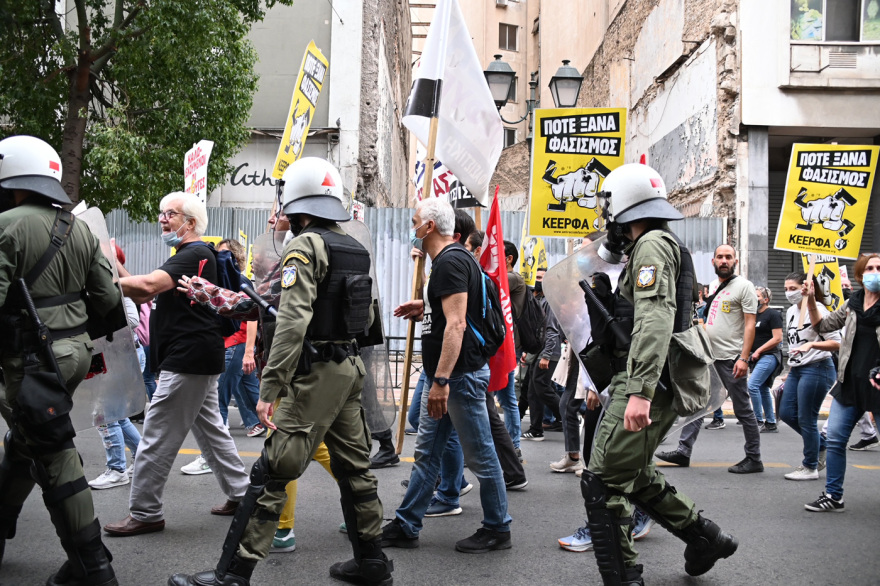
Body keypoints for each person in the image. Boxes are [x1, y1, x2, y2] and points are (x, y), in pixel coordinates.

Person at [169, 157, 392, 586]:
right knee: (355, 471)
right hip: (348, 368)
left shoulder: (305, 247)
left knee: (271, 473)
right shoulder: (353, 247)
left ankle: (231, 575)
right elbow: (368, 317)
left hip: (314, 376)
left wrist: (270, 388)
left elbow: (292, 320)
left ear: (295, 202)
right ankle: (372, 562)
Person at [581, 163, 737, 585]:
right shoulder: (656, 245)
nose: (605, 216)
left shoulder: (651, 246)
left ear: (624, 205)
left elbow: (653, 320)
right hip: (658, 377)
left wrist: (640, 393)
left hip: (653, 380)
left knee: (602, 480)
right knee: (631, 470)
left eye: (607, 206)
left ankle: (624, 577)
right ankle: (705, 537)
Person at [0, 135, 121, 584]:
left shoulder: (6, 225)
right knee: (27, 440)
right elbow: (108, 297)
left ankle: (93, 566)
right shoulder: (79, 228)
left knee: (55, 456)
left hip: (29, 362)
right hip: (74, 356)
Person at [103, 191, 250, 537]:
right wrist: (115, 266)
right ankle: (243, 494)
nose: (162, 219)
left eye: (170, 214)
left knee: (156, 434)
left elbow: (148, 286)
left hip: (188, 360)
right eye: (161, 213)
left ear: (191, 222)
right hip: (196, 358)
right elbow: (145, 289)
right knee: (212, 432)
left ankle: (146, 511)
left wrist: (100, 281)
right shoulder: (187, 255)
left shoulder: (194, 252)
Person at [381, 197, 512, 554]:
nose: (412, 228)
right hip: (452, 375)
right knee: (427, 455)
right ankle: (407, 524)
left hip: (458, 377)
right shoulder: (449, 261)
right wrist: (424, 305)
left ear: (430, 227)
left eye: (415, 222)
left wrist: (440, 381)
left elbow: (456, 324)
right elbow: (455, 309)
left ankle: (498, 528)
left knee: (481, 456)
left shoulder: (450, 261)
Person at [656, 244, 764, 474]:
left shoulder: (744, 287)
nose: (724, 260)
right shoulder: (718, 287)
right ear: (713, 261)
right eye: (720, 257)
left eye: (728, 257)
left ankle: (754, 458)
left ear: (736, 260)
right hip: (708, 357)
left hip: (730, 359)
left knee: (743, 409)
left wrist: (744, 358)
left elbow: (749, 324)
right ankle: (683, 452)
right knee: (698, 404)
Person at [802, 254, 880, 512]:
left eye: (879, 268)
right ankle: (834, 496)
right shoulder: (852, 303)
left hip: (877, 385)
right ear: (860, 275)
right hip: (850, 382)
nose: (875, 272)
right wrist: (811, 299)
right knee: (835, 439)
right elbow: (821, 325)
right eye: (870, 268)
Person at [89, 243, 144, 490]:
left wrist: (99, 325)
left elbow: (133, 319)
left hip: (121, 357)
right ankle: (142, 461)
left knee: (105, 414)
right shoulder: (91, 286)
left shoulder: (118, 287)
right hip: (110, 357)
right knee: (117, 416)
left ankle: (116, 469)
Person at [779, 272, 839, 481]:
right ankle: (820, 445)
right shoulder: (790, 312)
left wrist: (812, 344)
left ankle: (810, 466)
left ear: (806, 287)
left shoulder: (819, 310)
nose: (789, 293)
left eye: (793, 288)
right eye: (786, 289)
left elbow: (836, 342)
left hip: (818, 367)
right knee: (786, 412)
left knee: (807, 418)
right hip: (796, 369)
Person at [520, 267, 563, 441]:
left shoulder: (551, 301)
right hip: (538, 352)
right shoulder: (538, 299)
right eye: (536, 277)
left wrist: (546, 355)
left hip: (547, 352)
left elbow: (552, 331)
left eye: (541, 277)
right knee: (533, 390)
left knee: (541, 387)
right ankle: (536, 428)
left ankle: (568, 414)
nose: (537, 280)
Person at [748, 286, 783, 432]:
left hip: (769, 356)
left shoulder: (773, 314)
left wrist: (759, 351)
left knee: (752, 385)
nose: (754, 299)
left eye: (757, 296)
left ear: (766, 299)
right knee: (762, 388)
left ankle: (757, 420)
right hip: (756, 357)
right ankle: (770, 422)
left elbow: (777, 338)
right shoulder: (752, 315)